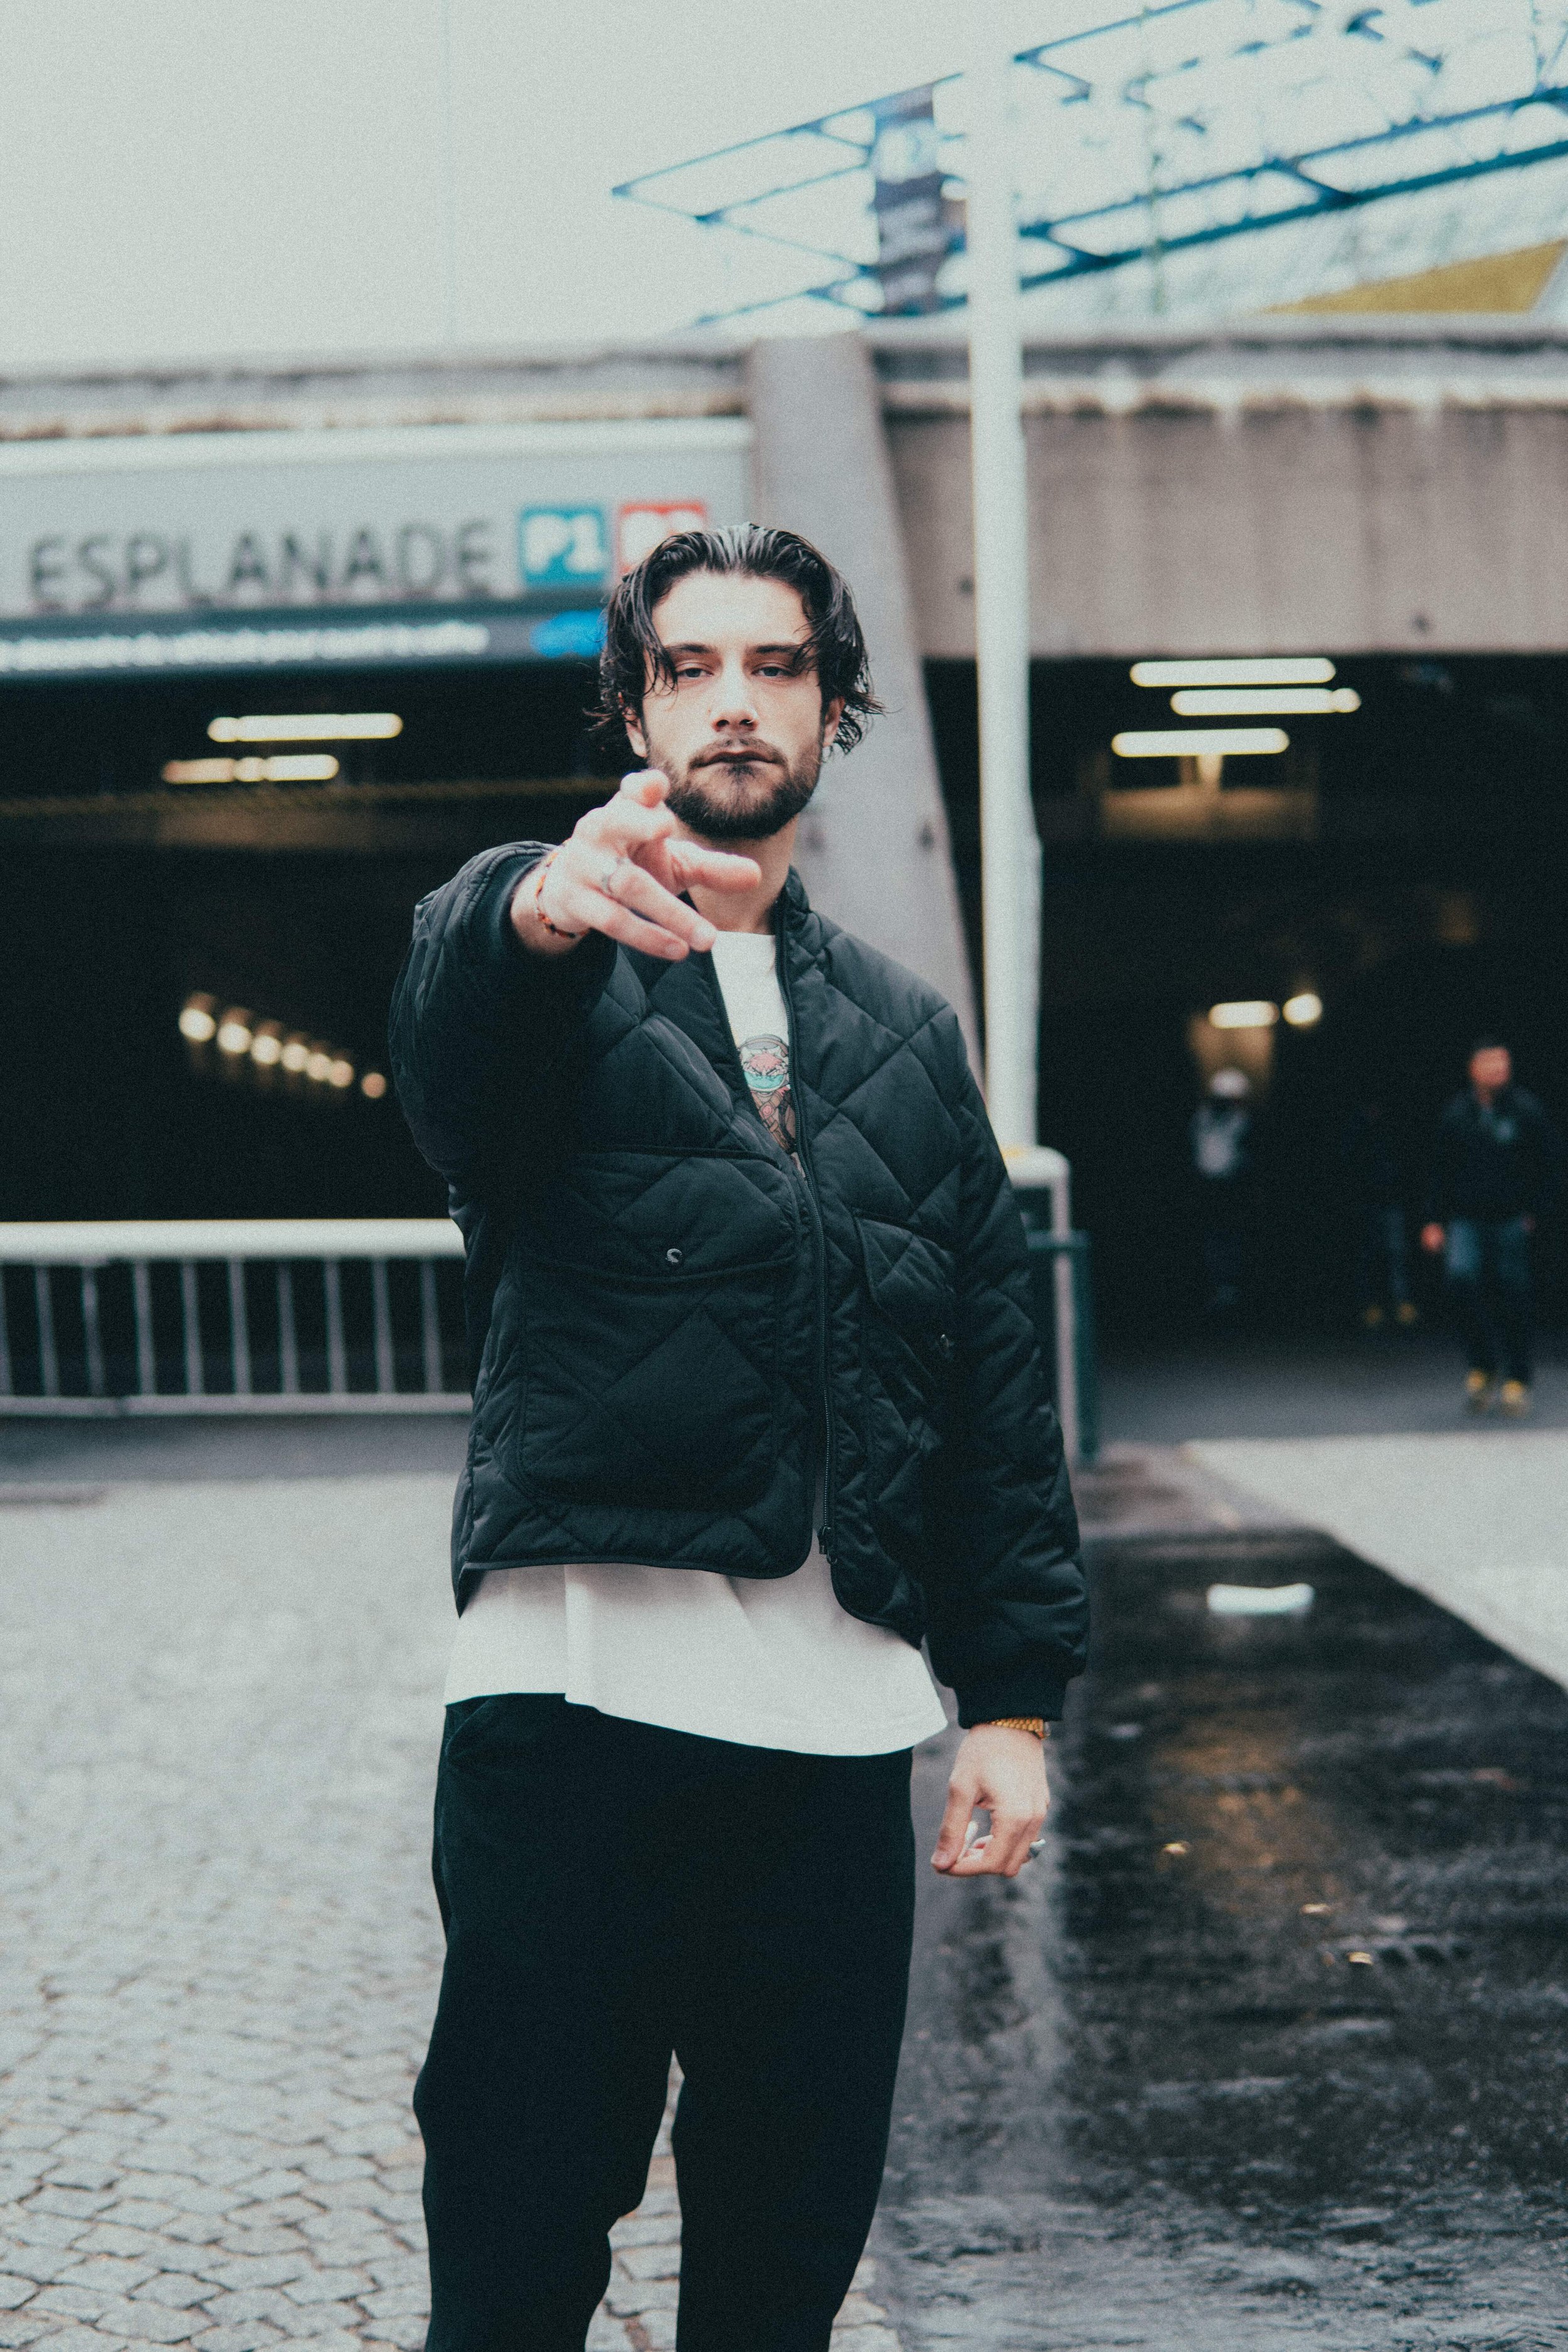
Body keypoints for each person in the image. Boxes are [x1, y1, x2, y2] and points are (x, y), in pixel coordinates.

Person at [388, 523, 1088, 2352]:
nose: (730, 699)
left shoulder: (908, 1039)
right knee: (517, 2249)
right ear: (630, 706)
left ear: (833, 710)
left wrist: (1008, 1702)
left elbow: (991, 1388)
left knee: (779, 2271)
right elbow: (450, 1072)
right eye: (686, 665)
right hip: (572, 1721)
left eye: (772, 664)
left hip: (825, 1744)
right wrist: (529, 911)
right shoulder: (543, 962)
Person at [1421, 1037, 1563, 1414]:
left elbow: (1550, 1164)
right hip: (1466, 1219)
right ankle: (1482, 1365)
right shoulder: (1457, 1114)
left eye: (1504, 1063)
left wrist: (1537, 1210)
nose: (1499, 1070)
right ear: (1474, 1069)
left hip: (1511, 1220)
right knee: (1461, 1280)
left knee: (1513, 1296)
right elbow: (1440, 1170)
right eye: (1491, 1063)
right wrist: (1434, 1219)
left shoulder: (1525, 1110)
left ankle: (1518, 1378)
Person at [1340, 1099, 1417, 1330]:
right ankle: (1370, 1303)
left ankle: (1402, 1301)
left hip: (1391, 1200)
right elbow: (1349, 1164)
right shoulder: (1357, 1130)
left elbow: (1404, 1162)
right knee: (1368, 1254)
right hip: (1365, 1201)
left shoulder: (1392, 1129)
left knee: (1397, 1252)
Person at [1190, 1066, 1254, 1311]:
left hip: (1231, 1187)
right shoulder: (1207, 1118)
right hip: (1212, 1187)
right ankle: (1218, 1288)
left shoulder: (1238, 1120)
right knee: (1215, 1238)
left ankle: (1230, 1288)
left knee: (1230, 1238)